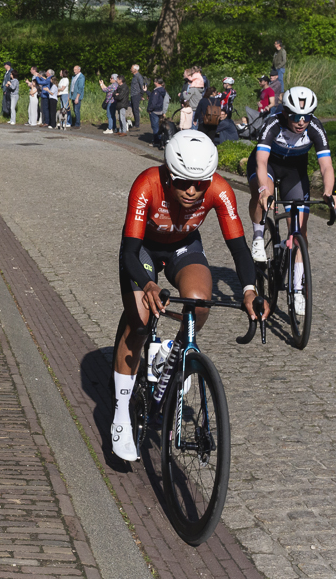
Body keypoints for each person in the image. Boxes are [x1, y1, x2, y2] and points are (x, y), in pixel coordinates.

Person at [109, 130, 267, 461]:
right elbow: (128, 252)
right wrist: (148, 284)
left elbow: (239, 248)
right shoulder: (147, 184)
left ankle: (172, 355)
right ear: (168, 174)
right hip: (144, 252)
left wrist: (251, 291)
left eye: (200, 183)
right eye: (183, 183)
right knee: (140, 319)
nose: (193, 191)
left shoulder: (220, 190)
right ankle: (121, 410)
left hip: (184, 246)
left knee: (199, 301)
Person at [245, 87, 336, 321]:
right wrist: (264, 191)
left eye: (306, 116)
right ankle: (258, 236)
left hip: (294, 173)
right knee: (261, 193)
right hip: (267, 166)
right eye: (296, 116)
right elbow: (262, 161)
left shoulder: (315, 127)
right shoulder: (273, 123)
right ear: (287, 113)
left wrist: (328, 193)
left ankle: (297, 289)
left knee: (299, 231)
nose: (301, 122)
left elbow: (326, 166)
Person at [147, 78, 170, 145]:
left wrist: (149, 109)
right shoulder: (163, 91)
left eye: (154, 81)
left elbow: (154, 102)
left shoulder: (156, 91)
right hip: (160, 110)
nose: (154, 82)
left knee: (155, 126)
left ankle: (157, 141)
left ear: (157, 82)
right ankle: (159, 139)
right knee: (159, 126)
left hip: (154, 111)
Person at [129, 64, 147, 129]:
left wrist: (141, 95)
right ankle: (135, 122)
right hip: (133, 95)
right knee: (133, 109)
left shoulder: (139, 76)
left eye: (132, 68)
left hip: (136, 95)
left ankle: (137, 124)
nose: (131, 69)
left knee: (136, 109)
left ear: (135, 70)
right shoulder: (134, 76)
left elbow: (142, 86)